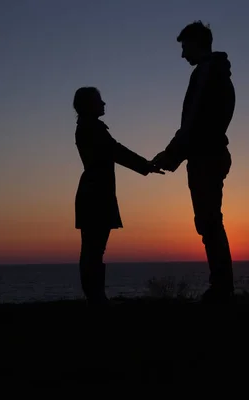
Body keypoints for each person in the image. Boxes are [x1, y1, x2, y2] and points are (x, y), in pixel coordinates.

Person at [152, 21, 236, 304]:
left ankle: (221, 289)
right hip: (210, 154)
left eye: (184, 46)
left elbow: (194, 122)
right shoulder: (218, 73)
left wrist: (171, 154)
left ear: (197, 42)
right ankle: (222, 286)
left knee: (209, 222)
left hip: (206, 157)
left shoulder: (207, 72)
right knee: (210, 221)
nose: (182, 54)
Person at [73, 86, 164, 305]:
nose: (104, 104)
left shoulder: (90, 127)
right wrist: (146, 166)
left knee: (94, 247)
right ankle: (96, 297)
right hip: (96, 194)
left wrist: (145, 166)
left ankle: (96, 296)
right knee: (94, 247)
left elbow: (115, 151)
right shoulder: (91, 128)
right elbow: (116, 151)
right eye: (99, 100)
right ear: (88, 105)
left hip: (96, 192)